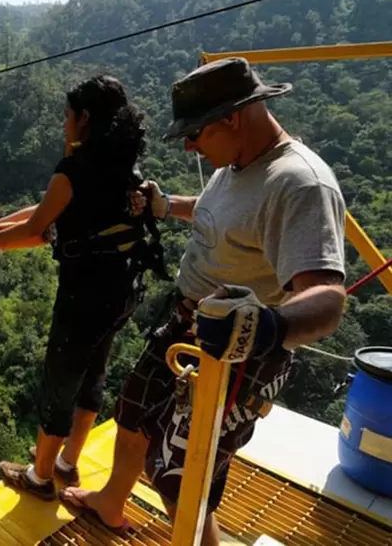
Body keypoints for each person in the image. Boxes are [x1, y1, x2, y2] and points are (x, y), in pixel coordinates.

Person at [58, 57, 348, 544]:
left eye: (195, 133)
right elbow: (221, 216)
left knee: (180, 472)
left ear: (231, 118)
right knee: (132, 412)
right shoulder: (238, 162)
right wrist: (166, 205)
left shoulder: (298, 183)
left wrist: (265, 327)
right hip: (189, 322)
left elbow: (327, 298)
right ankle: (111, 500)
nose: (189, 144)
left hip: (238, 349)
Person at [0, 74, 169, 502]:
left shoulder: (75, 169)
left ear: (85, 118)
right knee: (94, 374)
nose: (63, 124)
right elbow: (50, 207)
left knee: (60, 384)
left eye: (67, 116)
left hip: (83, 297)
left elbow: (39, 229)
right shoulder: (126, 169)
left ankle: (39, 480)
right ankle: (66, 464)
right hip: (120, 292)